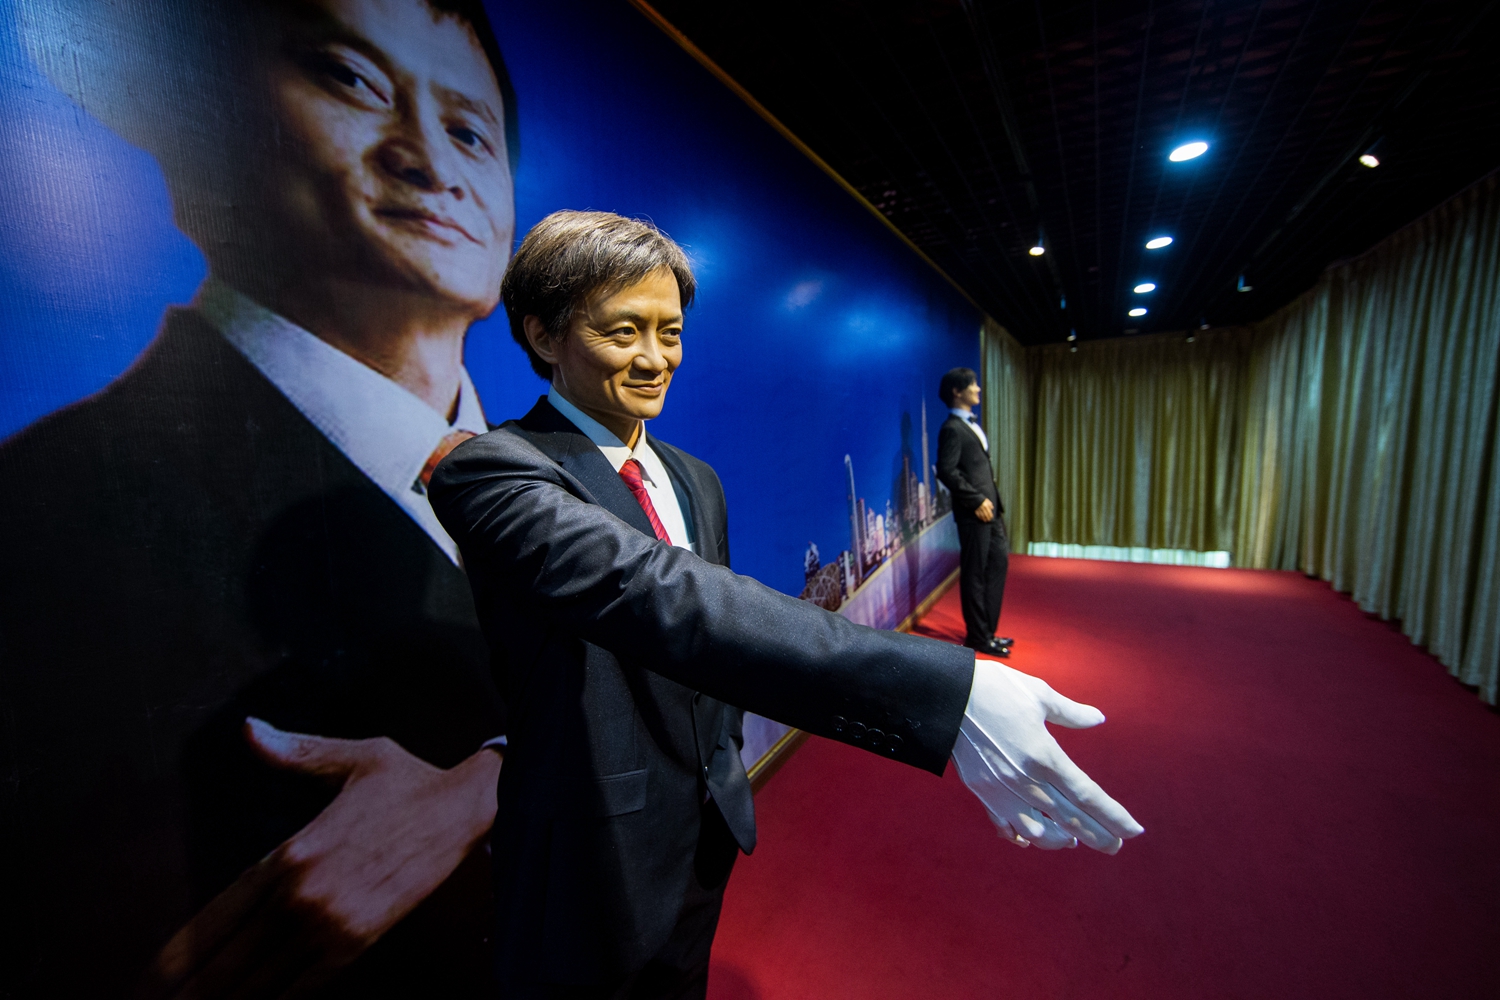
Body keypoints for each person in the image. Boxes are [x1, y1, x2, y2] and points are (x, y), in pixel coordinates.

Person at [429, 211, 1144, 999]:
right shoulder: (492, 471)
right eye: (623, 331)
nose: (655, 359)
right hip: (587, 850)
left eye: (671, 332)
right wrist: (951, 691)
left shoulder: (694, 478)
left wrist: (725, 758)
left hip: (706, 826)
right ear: (542, 333)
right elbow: (663, 594)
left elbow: (723, 644)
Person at [0, 1, 520, 995]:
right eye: (353, 79)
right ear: (199, 118)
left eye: (470, 131)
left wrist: (488, 784)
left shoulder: (562, 480)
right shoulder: (42, 520)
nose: (427, 158)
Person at [936, 367, 1013, 656]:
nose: (978, 389)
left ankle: (987, 632)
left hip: (991, 510)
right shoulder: (951, 429)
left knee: (998, 564)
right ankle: (979, 637)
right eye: (973, 385)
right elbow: (946, 470)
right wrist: (976, 500)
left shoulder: (969, 425)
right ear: (957, 391)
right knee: (975, 573)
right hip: (975, 512)